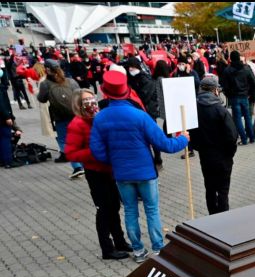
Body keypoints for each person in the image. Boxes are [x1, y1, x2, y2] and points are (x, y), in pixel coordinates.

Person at [90, 70, 189, 263]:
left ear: (105, 92)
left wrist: (114, 160)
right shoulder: (140, 116)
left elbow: (97, 150)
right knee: (152, 210)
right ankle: (158, 248)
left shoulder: (100, 118)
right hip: (145, 172)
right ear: (126, 91)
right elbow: (164, 144)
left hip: (122, 174)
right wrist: (183, 139)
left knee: (130, 210)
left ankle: (138, 251)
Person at [64, 89, 131, 260]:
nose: (91, 102)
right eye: (86, 100)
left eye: (92, 98)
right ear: (79, 104)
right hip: (95, 172)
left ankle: (120, 241)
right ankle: (107, 249)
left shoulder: (100, 118)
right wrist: (94, 152)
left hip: (110, 170)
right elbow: (71, 153)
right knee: (104, 209)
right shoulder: (77, 124)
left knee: (114, 206)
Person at [188, 76, 238, 215]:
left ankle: (212, 217)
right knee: (222, 190)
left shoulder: (194, 108)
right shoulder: (219, 109)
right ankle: (222, 218)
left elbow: (191, 131)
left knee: (209, 188)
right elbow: (232, 135)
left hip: (205, 155)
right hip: (222, 156)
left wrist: (197, 146)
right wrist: (230, 152)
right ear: (215, 90)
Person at [37, 59, 84, 179]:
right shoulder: (71, 81)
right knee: (79, 139)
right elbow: (79, 95)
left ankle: (77, 166)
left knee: (64, 141)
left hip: (60, 117)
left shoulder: (45, 84)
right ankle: (84, 163)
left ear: (47, 69)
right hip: (75, 114)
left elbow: (41, 99)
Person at [222, 50, 255, 145]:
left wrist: (229, 96)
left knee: (237, 119)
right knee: (247, 117)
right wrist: (252, 96)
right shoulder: (246, 68)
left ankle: (244, 138)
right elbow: (254, 83)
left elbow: (225, 86)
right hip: (244, 96)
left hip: (235, 97)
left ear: (230, 58)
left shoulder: (227, 70)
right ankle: (252, 137)